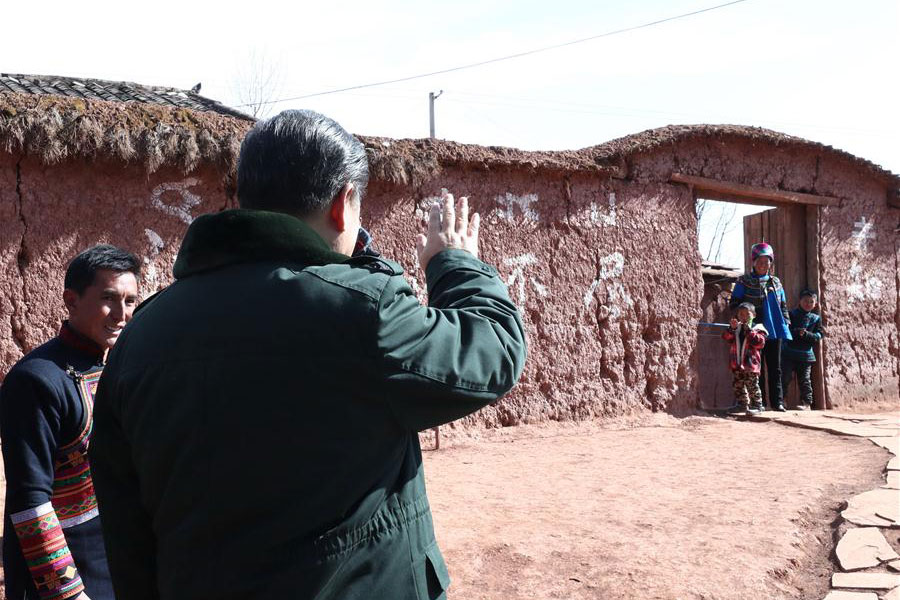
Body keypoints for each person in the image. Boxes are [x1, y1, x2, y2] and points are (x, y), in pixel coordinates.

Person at [89, 109, 527, 600]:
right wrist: (454, 262)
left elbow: (126, 532)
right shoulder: (363, 315)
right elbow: (492, 349)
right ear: (344, 203)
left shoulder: (140, 337)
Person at [0, 244, 139, 600]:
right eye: (109, 298)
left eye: (130, 301)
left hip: (114, 557)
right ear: (71, 300)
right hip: (63, 573)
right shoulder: (37, 381)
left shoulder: (119, 367)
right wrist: (70, 593)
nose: (121, 314)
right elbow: (30, 501)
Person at [728, 242, 792, 411]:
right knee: (755, 367)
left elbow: (783, 304)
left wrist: (785, 322)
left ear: (771, 263)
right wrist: (745, 316)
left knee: (775, 366)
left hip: (774, 328)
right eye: (760, 262)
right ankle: (760, 403)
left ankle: (777, 402)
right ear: (753, 262)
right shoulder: (744, 281)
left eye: (767, 262)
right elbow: (734, 303)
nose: (764, 265)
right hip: (753, 331)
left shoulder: (776, 282)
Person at [782, 289, 825, 410]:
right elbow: (785, 331)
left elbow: (820, 335)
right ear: (799, 301)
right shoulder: (791, 315)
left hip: (806, 355)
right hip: (789, 353)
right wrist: (796, 332)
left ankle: (806, 403)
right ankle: (782, 401)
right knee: (785, 377)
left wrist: (807, 335)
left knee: (805, 380)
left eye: (811, 302)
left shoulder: (816, 319)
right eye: (805, 301)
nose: (808, 304)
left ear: (815, 304)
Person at [723, 302, 768, 414]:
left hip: (750, 364)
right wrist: (731, 330)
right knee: (738, 385)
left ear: (754, 315)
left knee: (752, 385)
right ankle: (742, 405)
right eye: (741, 314)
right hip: (737, 363)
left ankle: (757, 405)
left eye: (747, 314)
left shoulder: (758, 328)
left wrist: (749, 331)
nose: (743, 317)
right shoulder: (736, 328)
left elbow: (759, 343)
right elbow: (726, 338)